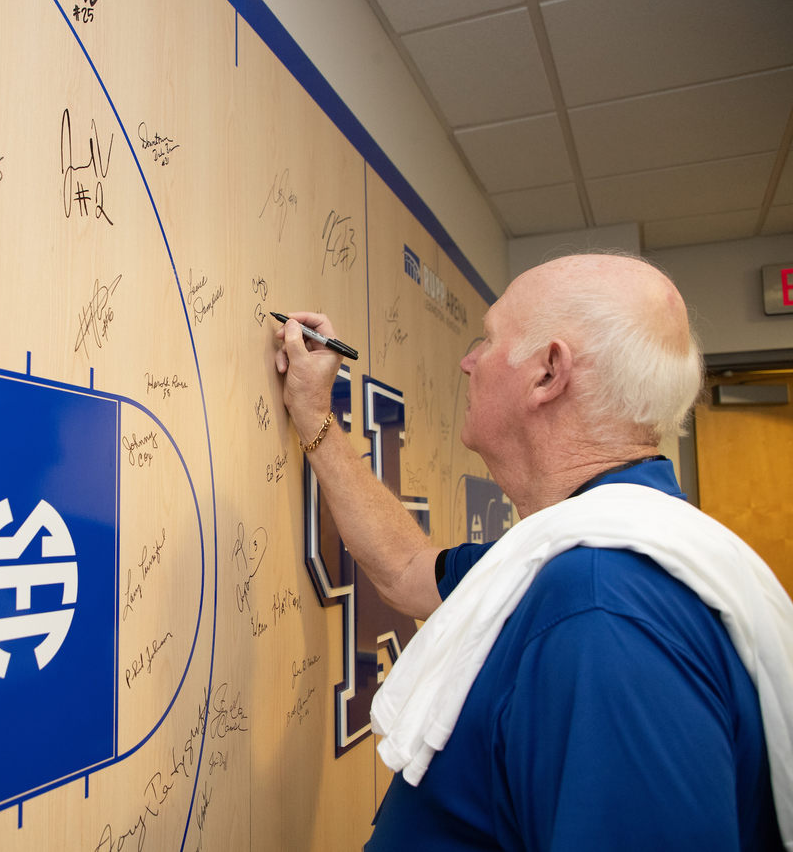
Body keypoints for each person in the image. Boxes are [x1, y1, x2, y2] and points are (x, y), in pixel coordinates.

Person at [274, 254, 787, 851]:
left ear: (548, 373)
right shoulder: (572, 553)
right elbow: (409, 572)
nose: (468, 362)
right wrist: (315, 416)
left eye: (487, 340)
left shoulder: (601, 606)